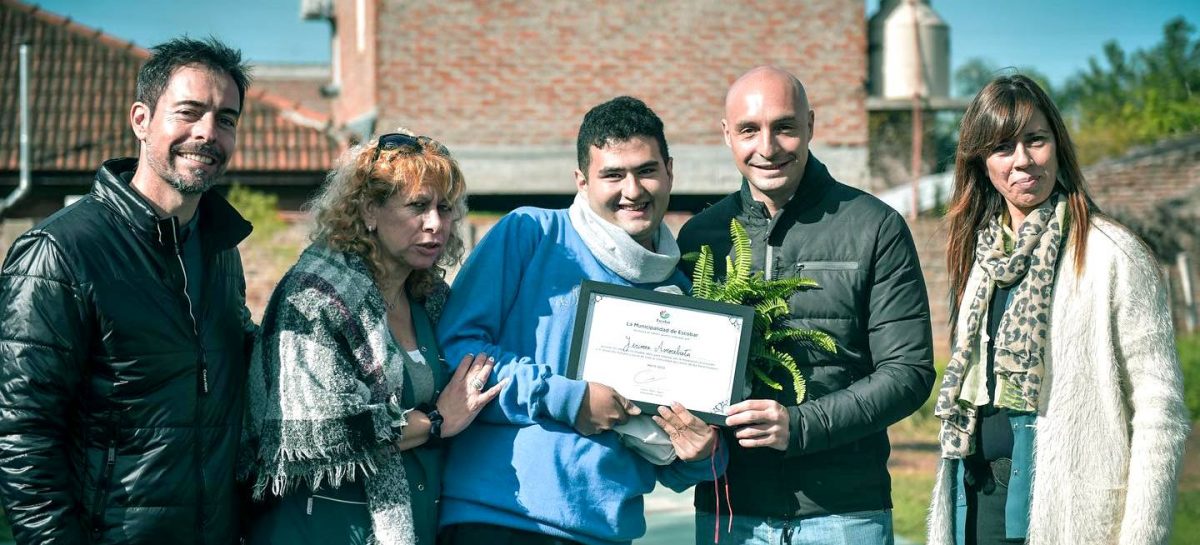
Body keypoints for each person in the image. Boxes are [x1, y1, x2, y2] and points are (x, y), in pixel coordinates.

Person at [435, 96, 726, 545]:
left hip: (604, 532)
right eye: (612, 174)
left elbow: (684, 460)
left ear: (670, 170)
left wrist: (699, 452)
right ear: (582, 180)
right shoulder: (530, 233)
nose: (632, 190)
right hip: (497, 518)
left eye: (646, 170)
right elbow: (456, 353)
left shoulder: (683, 294)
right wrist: (571, 399)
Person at [0, 37, 256, 544]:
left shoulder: (220, 248)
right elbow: (22, 434)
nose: (207, 133)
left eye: (225, 119)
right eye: (189, 112)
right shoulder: (60, 251)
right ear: (141, 120)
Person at [676, 66, 935, 545]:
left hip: (843, 513)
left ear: (811, 125)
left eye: (785, 127)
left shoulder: (874, 227)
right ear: (727, 135)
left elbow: (909, 372)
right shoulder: (701, 236)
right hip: (731, 513)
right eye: (750, 130)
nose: (768, 147)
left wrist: (798, 426)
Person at [926, 74, 1190, 545]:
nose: (1022, 160)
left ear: (1057, 146)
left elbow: (1159, 413)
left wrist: (1141, 535)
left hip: (1069, 509)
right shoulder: (982, 258)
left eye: (1036, 140)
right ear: (982, 163)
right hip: (978, 499)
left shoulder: (1115, 254)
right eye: (1003, 147)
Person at [242, 132, 505, 544]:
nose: (435, 223)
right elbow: (319, 433)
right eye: (418, 206)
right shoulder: (313, 296)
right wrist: (438, 421)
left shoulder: (432, 299)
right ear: (369, 210)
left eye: (445, 208)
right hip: (323, 530)